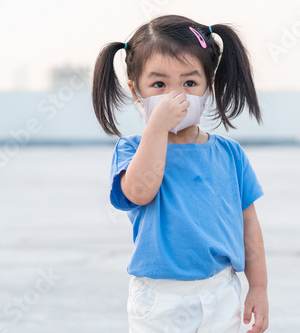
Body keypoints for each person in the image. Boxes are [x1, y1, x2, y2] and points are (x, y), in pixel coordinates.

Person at [92, 14, 269, 333]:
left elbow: (249, 223)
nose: (176, 96)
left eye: (189, 83)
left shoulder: (230, 155)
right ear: (136, 91)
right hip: (160, 298)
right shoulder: (131, 150)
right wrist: (157, 127)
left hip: (221, 291)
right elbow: (139, 192)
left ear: (207, 87)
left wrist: (258, 288)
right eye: (159, 84)